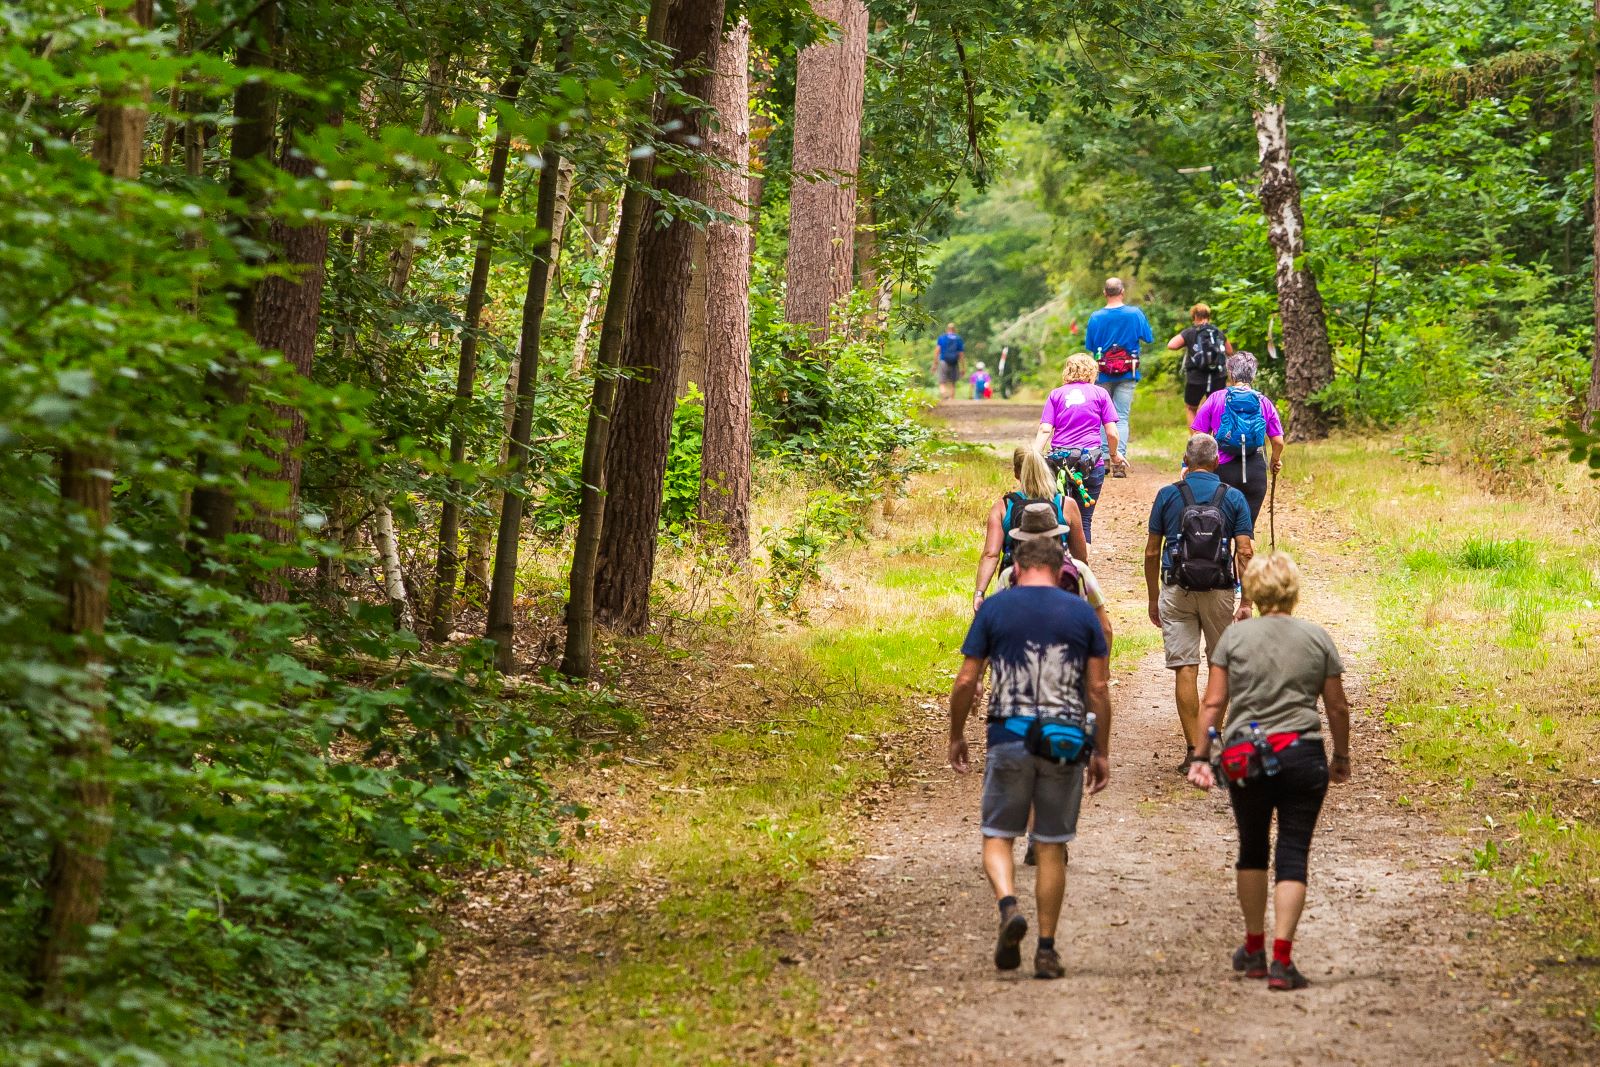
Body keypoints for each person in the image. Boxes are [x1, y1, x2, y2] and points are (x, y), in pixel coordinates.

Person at [948, 533, 1112, 980]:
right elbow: (1097, 688)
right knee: (1052, 846)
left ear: (1016, 568)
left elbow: (966, 681)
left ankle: (1007, 905)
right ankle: (1045, 949)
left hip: (1009, 738)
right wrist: (1101, 750)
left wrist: (957, 735)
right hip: (1064, 741)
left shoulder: (997, 608)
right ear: (1061, 570)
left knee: (998, 835)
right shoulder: (1081, 612)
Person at [1186, 552, 1351, 991]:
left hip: (1247, 757)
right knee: (1294, 852)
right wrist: (1342, 756)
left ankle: (1254, 948)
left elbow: (1214, 704)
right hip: (1302, 754)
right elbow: (1336, 705)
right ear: (1293, 591)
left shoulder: (1235, 639)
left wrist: (1201, 755)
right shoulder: (1317, 638)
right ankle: (1283, 959)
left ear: (1255, 593)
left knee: (1252, 849)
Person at [1144, 433, 1254, 772]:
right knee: (1220, 667)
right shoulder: (1233, 497)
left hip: (1176, 589)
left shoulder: (1167, 495)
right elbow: (1245, 552)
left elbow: (1151, 550)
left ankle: (1194, 751)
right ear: (1217, 461)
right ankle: (1214, 743)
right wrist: (1246, 601)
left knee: (1185, 668)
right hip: (1220, 592)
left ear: (1185, 461)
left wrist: (1153, 596)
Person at [975, 449, 1088, 614]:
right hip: (1057, 582)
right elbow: (1081, 556)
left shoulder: (1003, 506)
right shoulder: (1066, 505)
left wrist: (979, 593)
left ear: (1016, 473)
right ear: (1046, 468)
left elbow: (990, 555)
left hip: (1015, 583)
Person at [1033, 354, 1126, 543]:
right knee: (1084, 520)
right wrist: (1114, 455)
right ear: (1093, 372)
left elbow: (1045, 429)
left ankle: (1058, 562)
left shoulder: (1056, 394)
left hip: (1059, 463)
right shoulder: (1101, 394)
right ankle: (1081, 568)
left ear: (1067, 371)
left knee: (1056, 516)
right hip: (1090, 462)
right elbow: (1113, 433)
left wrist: (1034, 456)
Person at [1190, 352, 1285, 525]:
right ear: (1253, 374)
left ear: (1231, 373)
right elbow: (1278, 442)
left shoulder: (1216, 398)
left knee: (1219, 528)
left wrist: (1188, 466)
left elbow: (1198, 438)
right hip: (1254, 472)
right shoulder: (1263, 401)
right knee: (1246, 532)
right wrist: (1274, 461)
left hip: (1221, 470)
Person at [1084, 278, 1153, 477]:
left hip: (1102, 372)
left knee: (1100, 417)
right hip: (1127, 371)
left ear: (1105, 293)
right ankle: (1119, 461)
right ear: (1122, 291)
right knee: (1121, 416)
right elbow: (1148, 337)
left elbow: (1090, 345)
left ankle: (1104, 459)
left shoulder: (1096, 317)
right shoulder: (1135, 313)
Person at [1166, 303, 1234, 419]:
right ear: (1208, 316)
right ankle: (1216, 436)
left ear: (1195, 317)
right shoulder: (1217, 332)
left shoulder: (1190, 332)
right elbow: (1230, 351)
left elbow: (1171, 345)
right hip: (1218, 377)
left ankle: (1195, 437)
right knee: (1216, 409)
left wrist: (1188, 343)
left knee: (1191, 408)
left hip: (1196, 377)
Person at [934, 322, 965, 401]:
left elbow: (937, 351)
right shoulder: (958, 339)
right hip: (954, 362)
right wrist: (963, 367)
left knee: (942, 382)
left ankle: (944, 394)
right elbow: (961, 354)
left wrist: (935, 363)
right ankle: (951, 399)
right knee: (952, 383)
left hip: (943, 361)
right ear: (955, 330)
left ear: (947, 329)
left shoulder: (942, 338)